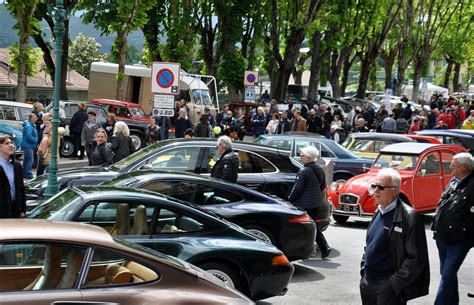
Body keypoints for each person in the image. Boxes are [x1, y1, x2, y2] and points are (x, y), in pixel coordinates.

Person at [360, 168, 429, 305]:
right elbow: (369, 245)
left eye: (381, 187)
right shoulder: (377, 211)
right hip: (368, 282)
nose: (376, 191)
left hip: (388, 286)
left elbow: (416, 259)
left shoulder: (409, 217)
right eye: (374, 186)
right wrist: (363, 271)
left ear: (395, 191)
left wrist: (393, 284)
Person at [432, 153, 474, 305]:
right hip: (442, 237)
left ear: (463, 167)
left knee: (447, 276)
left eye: (453, 164)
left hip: (459, 241)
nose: (450, 167)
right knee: (447, 275)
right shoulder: (454, 181)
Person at [287, 146, 331, 259]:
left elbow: (297, 189)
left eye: (302, 155)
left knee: (307, 227)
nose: (300, 157)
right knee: (312, 226)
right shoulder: (319, 169)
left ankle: (318, 247)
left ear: (309, 157)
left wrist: (289, 200)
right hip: (316, 203)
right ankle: (322, 247)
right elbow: (322, 185)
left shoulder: (304, 171)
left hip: (304, 204)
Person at [0, 135, 27, 218]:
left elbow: (21, 189)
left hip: (15, 210)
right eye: (7, 143)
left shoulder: (17, 165)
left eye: (11, 143)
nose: (11, 145)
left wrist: (23, 210)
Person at [21, 113, 38, 179]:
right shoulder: (29, 126)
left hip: (27, 145)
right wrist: (36, 140)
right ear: (30, 118)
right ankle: (28, 174)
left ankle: (25, 173)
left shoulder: (30, 125)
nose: (35, 119)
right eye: (33, 118)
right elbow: (28, 136)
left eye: (35, 118)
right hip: (28, 145)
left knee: (27, 159)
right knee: (30, 159)